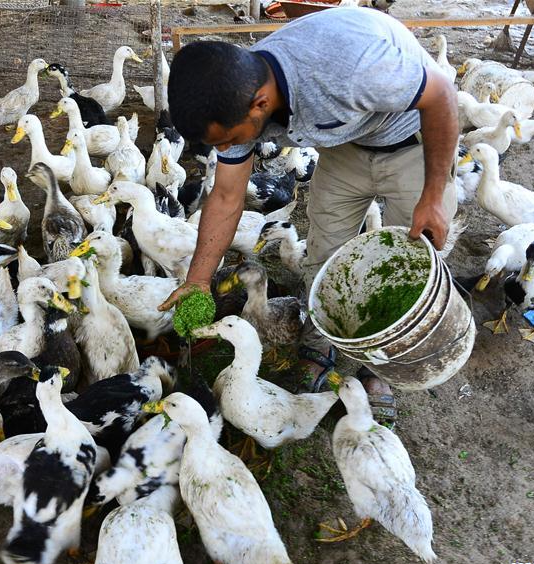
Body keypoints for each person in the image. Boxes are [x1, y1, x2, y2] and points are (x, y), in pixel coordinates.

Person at [158, 7, 459, 399]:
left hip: (414, 142)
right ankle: (321, 346)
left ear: (260, 104)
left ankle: (380, 366)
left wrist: (434, 195)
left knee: (407, 261)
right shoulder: (236, 98)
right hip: (348, 144)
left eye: (227, 139)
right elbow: (227, 196)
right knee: (324, 255)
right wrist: (198, 280)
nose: (227, 149)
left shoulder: (351, 66)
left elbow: (442, 96)